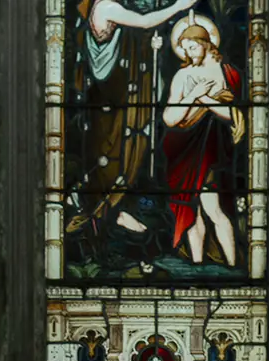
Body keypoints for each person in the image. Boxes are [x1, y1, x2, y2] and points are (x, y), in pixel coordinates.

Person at [65, 0, 196, 241]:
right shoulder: (106, 7)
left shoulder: (109, 8)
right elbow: (144, 22)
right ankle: (104, 212)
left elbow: (135, 35)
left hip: (115, 97)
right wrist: (178, 6)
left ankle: (117, 209)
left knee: (126, 149)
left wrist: (150, 46)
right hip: (108, 101)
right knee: (111, 155)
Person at [160, 15, 243, 268]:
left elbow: (235, 114)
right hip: (183, 147)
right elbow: (170, 118)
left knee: (213, 208)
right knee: (190, 209)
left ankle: (232, 265)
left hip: (211, 149)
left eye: (193, 47)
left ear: (206, 43)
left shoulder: (227, 73)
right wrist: (194, 95)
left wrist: (205, 100)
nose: (189, 53)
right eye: (185, 49)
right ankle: (197, 266)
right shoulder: (182, 75)